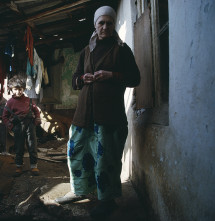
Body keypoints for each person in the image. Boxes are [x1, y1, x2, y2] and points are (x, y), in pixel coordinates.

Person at [55, 5, 140, 219]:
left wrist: (111, 75)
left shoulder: (122, 49)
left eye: (109, 23)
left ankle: (107, 200)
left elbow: (135, 78)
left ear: (113, 25)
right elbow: (75, 80)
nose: (105, 27)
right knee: (77, 153)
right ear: (95, 25)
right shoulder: (87, 50)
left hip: (109, 116)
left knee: (106, 159)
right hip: (84, 115)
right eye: (101, 23)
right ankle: (79, 190)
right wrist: (83, 78)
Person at [2, 74, 42, 176]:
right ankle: (19, 166)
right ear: (11, 89)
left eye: (20, 89)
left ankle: (34, 166)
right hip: (18, 127)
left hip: (30, 125)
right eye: (15, 89)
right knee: (19, 147)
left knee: (32, 146)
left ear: (24, 89)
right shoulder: (10, 102)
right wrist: (10, 126)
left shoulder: (28, 100)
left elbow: (36, 110)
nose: (18, 91)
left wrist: (37, 119)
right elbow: (4, 117)